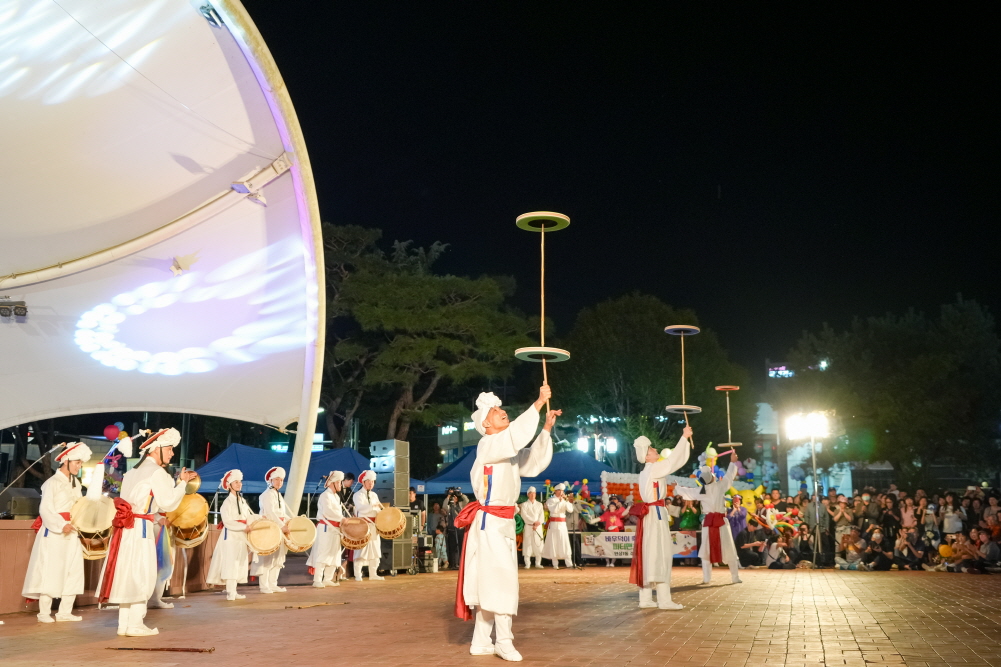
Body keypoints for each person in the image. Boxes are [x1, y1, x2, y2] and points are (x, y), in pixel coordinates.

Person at [454, 386, 556, 661]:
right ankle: (504, 641)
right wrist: (537, 403)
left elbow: (532, 462)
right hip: (491, 522)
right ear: (485, 422)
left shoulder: (504, 451)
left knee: (491, 581)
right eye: (497, 411)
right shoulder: (488, 445)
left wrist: (545, 429)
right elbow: (514, 438)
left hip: (501, 523)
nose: (503, 411)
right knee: (502, 581)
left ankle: (481, 640)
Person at [96, 428, 194, 636]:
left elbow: (145, 504)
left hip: (127, 529)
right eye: (169, 449)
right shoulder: (156, 472)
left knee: (128, 573)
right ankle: (135, 624)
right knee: (142, 573)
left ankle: (124, 624)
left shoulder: (133, 472)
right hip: (139, 529)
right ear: (156, 449)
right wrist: (182, 483)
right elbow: (167, 502)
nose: (172, 453)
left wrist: (156, 513)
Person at [22, 443, 92, 623]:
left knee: (73, 570)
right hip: (54, 531)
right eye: (77, 462)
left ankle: (64, 611)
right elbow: (45, 510)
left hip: (72, 530)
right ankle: (44, 612)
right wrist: (61, 525)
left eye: (80, 462)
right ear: (66, 461)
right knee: (51, 569)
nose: (79, 466)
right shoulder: (51, 483)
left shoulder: (75, 484)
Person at [629, 428, 692, 610]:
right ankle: (664, 600)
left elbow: (671, 461)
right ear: (647, 457)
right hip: (655, 515)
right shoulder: (654, 468)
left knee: (650, 553)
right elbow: (673, 461)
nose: (655, 450)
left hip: (652, 515)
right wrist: (684, 437)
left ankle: (646, 598)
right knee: (661, 554)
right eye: (651, 450)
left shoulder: (645, 472)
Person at [676, 448, 741, 585]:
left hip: (711, 521)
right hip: (718, 521)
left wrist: (677, 488)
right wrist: (733, 463)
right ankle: (734, 577)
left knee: (706, 550)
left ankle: (707, 579)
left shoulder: (701, 490)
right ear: (712, 477)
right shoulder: (719, 486)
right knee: (727, 548)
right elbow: (729, 476)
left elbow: (687, 493)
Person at [206, 469, 254, 599]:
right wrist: (244, 526)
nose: (239, 484)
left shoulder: (242, 501)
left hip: (241, 536)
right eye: (236, 482)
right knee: (231, 562)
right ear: (229, 485)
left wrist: (259, 520)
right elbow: (227, 521)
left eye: (240, 482)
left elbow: (249, 516)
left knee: (239, 561)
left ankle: (234, 590)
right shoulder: (227, 502)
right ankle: (230, 592)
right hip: (231, 536)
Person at [249, 467, 292, 593]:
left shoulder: (278, 495)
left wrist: (292, 522)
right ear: (270, 480)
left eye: (281, 480)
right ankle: (264, 586)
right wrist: (281, 525)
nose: (279, 482)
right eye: (277, 479)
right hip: (269, 528)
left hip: (279, 528)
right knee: (267, 558)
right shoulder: (266, 495)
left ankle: (273, 584)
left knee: (278, 558)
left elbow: (282, 513)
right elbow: (270, 513)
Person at [307, 470, 345, 588]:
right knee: (323, 553)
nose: (340, 485)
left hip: (335, 528)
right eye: (338, 482)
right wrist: (342, 518)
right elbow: (328, 512)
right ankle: (317, 580)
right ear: (332, 483)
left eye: (340, 482)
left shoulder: (336, 497)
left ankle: (327, 578)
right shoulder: (325, 495)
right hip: (326, 527)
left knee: (334, 553)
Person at [353, 469, 385, 581]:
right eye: (369, 481)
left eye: (372, 481)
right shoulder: (357, 495)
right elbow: (361, 508)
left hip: (374, 526)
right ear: (364, 482)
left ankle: (373, 574)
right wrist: (372, 506)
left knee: (375, 551)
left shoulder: (374, 495)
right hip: (363, 525)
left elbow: (378, 509)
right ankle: (358, 575)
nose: (371, 483)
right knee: (361, 550)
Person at [542, 483, 573, 569]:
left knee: (564, 542)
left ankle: (569, 562)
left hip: (562, 524)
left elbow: (570, 510)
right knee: (554, 542)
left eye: (562, 490)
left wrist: (565, 501)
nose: (561, 492)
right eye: (559, 490)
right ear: (555, 491)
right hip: (554, 524)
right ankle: (555, 563)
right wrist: (561, 501)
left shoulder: (564, 500)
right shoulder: (551, 500)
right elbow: (554, 510)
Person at [518, 486, 545, 569]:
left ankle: (538, 563)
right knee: (528, 543)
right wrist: (533, 522)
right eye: (531, 493)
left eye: (534, 493)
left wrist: (537, 523)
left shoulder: (539, 504)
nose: (533, 495)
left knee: (538, 544)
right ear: (528, 495)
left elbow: (541, 516)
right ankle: (527, 563)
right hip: (529, 526)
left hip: (538, 527)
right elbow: (524, 515)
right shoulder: (524, 505)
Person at [445, 487, 469, 569]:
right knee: (452, 547)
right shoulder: (449, 506)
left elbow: (467, 501)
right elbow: (444, 506)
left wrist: (460, 494)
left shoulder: (461, 505)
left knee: (461, 546)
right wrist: (448, 496)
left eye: (455, 497)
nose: (454, 498)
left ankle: (461, 563)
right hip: (451, 529)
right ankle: (453, 564)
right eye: (453, 497)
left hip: (460, 529)